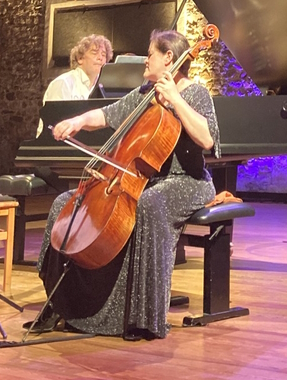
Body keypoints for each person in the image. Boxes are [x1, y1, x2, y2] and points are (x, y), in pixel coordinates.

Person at [28, 29, 219, 340]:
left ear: (169, 58)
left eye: (151, 54)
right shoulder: (145, 93)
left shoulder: (196, 94)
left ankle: (142, 317)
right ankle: (62, 305)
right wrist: (76, 122)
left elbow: (207, 139)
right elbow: (105, 114)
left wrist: (175, 101)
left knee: (149, 205)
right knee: (66, 202)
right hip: (144, 178)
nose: (146, 59)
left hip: (187, 181)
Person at [35, 34, 113, 137]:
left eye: (103, 55)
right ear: (80, 58)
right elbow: (55, 124)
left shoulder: (103, 88)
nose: (100, 58)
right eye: (94, 53)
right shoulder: (63, 83)